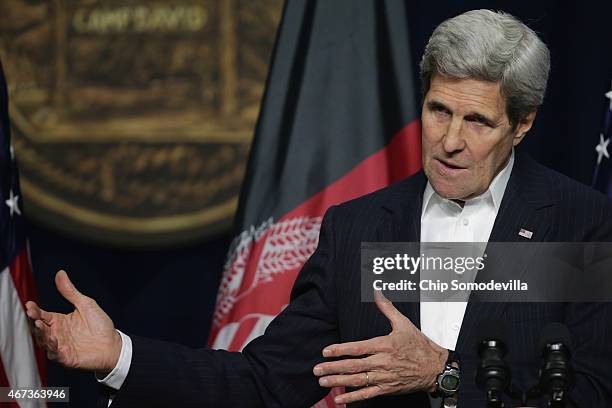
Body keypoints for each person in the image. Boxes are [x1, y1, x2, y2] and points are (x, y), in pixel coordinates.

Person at [26, 9, 612, 407]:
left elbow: (593, 392)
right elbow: (262, 385)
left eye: (477, 120)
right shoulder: (358, 229)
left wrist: (443, 374)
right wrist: (118, 353)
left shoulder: (577, 222)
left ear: (523, 124)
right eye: (438, 111)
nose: (450, 139)